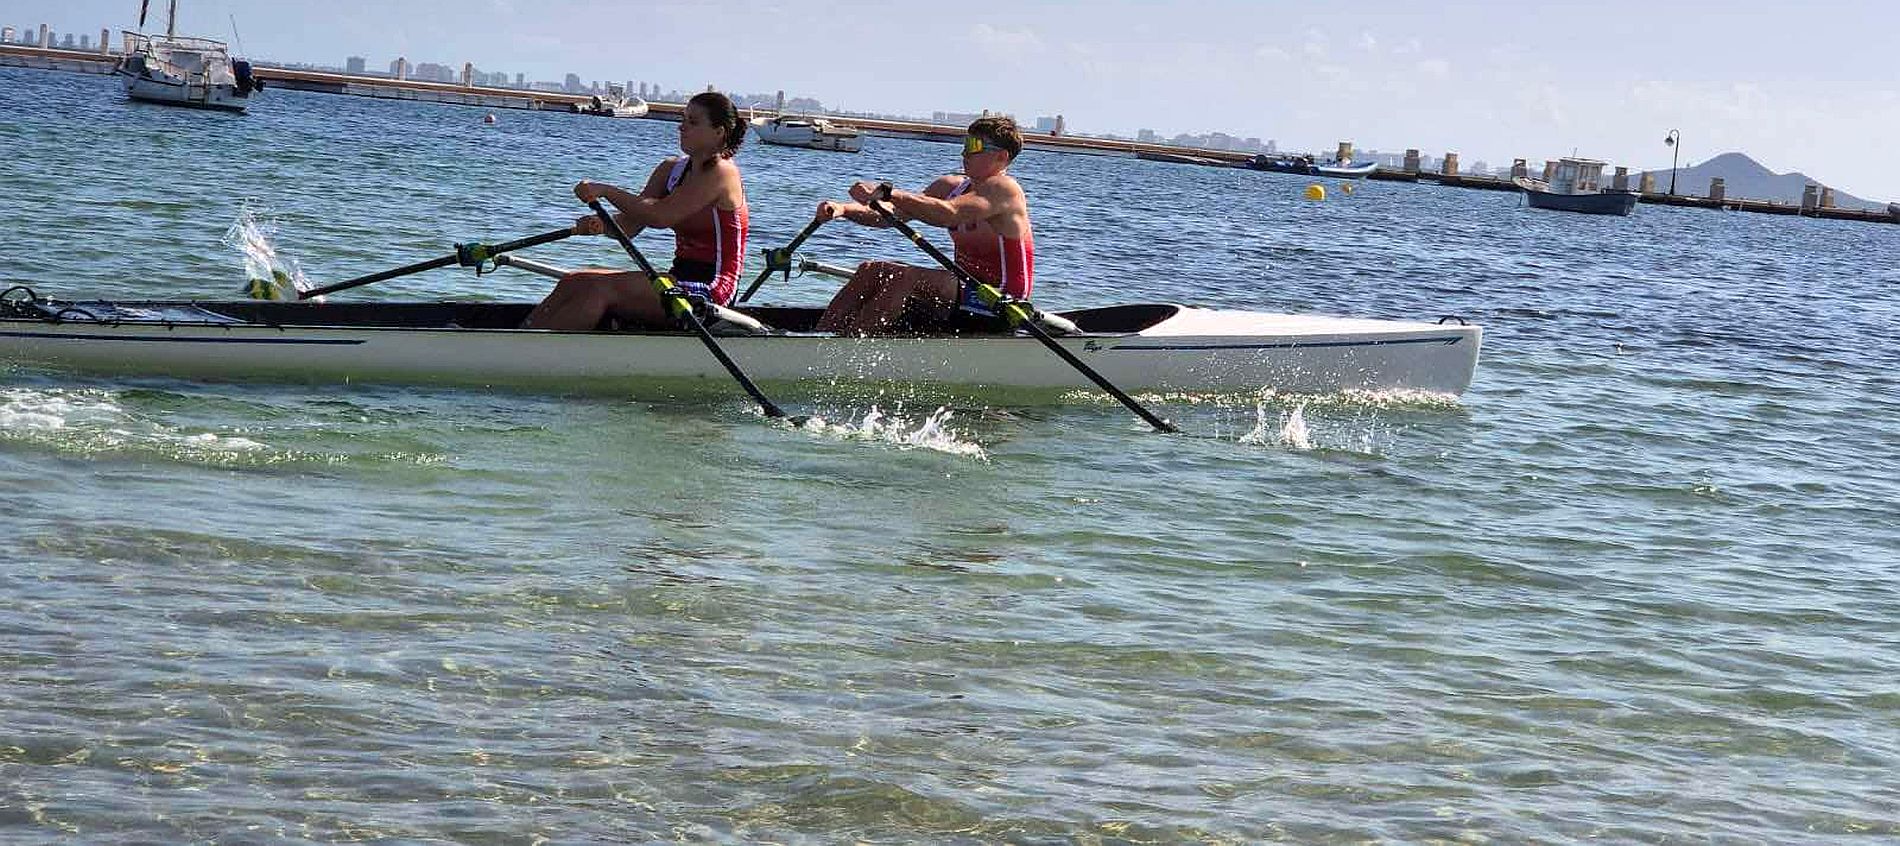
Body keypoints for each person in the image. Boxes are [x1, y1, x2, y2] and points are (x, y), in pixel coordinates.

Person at [523, 91, 749, 330]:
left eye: (693, 122)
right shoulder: (670, 169)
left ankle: (541, 354)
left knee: (598, 289)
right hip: (676, 278)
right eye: (683, 120)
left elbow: (660, 216)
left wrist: (607, 191)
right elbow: (630, 226)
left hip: (712, 291)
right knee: (573, 281)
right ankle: (521, 338)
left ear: (719, 132)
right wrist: (601, 224)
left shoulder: (723, 173)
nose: (682, 128)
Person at [812, 116, 1032, 336]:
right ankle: (821, 337)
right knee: (871, 270)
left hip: (1001, 301)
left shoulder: (1005, 189)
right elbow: (886, 215)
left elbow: (949, 214)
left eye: (974, 147)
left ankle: (849, 348)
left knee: (903, 278)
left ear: (1002, 157)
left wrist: (891, 193)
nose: (964, 153)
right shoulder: (950, 186)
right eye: (965, 144)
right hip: (961, 288)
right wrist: (843, 209)